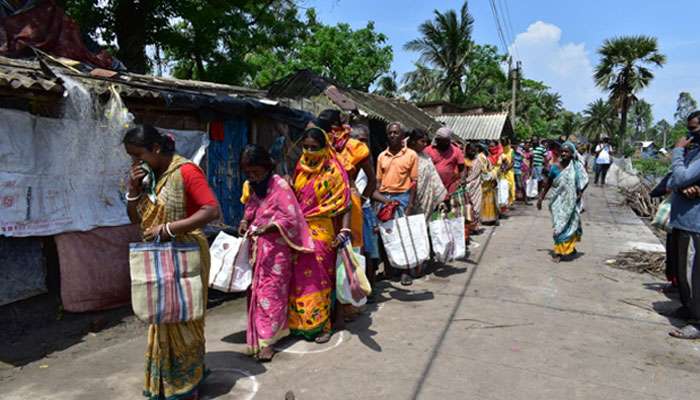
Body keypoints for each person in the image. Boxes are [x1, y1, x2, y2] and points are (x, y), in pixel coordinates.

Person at [123, 124, 221, 400]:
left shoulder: (186, 171)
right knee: (161, 317)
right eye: (131, 157)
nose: (135, 163)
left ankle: (187, 384)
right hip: (158, 256)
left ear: (156, 149)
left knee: (184, 317)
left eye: (138, 156)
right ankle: (167, 381)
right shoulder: (149, 177)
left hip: (185, 252)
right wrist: (133, 189)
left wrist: (169, 229)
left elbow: (211, 210)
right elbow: (135, 217)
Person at [238, 145, 314, 362]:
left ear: (266, 167)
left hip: (276, 252)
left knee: (271, 295)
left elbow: (291, 218)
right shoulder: (255, 187)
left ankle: (268, 342)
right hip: (257, 250)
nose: (252, 177)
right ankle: (259, 337)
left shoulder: (280, 186)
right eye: (248, 174)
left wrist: (268, 228)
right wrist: (245, 221)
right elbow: (251, 208)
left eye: (256, 173)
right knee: (255, 293)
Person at [289, 127, 351, 344]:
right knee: (298, 279)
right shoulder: (300, 167)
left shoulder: (334, 170)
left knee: (320, 278)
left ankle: (324, 325)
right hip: (298, 231)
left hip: (322, 231)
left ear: (325, 147)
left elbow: (345, 203)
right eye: (305, 147)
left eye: (314, 148)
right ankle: (300, 325)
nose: (308, 151)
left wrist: (344, 231)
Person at [317, 109, 376, 250]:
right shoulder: (320, 145)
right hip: (324, 203)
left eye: (327, 127)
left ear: (336, 125)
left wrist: (360, 200)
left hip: (349, 203)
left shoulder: (355, 148)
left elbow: (372, 180)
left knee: (351, 251)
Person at [666, 111, 700, 339]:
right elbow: (672, 180)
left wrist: (677, 151)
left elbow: (679, 177)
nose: (689, 136)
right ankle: (690, 308)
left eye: (694, 130)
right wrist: (681, 185)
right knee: (685, 270)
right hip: (685, 221)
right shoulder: (693, 154)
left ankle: (697, 321)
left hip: (695, 222)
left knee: (694, 272)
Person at [376, 122, 419, 285]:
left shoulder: (411, 155)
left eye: (396, 133)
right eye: (390, 133)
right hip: (385, 198)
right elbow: (378, 182)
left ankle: (405, 272)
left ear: (402, 136)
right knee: (386, 236)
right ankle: (389, 270)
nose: (392, 135)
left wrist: (410, 206)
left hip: (403, 197)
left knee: (403, 236)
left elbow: (414, 182)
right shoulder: (381, 156)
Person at [537, 141, 589, 263]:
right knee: (559, 226)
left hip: (572, 201)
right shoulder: (555, 167)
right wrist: (541, 198)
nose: (564, 153)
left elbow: (584, 180)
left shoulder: (577, 167)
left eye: (567, 151)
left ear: (572, 153)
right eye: (562, 151)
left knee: (571, 225)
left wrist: (580, 193)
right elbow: (548, 183)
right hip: (558, 201)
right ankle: (562, 249)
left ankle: (562, 251)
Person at [351, 124, 382, 289]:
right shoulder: (348, 159)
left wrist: (361, 200)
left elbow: (372, 184)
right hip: (349, 210)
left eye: (365, 140)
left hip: (363, 209)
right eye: (359, 140)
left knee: (368, 251)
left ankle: (370, 287)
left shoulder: (366, 160)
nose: (363, 144)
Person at [407, 128, 448, 218]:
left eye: (426, 142)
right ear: (413, 141)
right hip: (408, 196)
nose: (425, 145)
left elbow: (433, 175)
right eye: (422, 142)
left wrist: (440, 195)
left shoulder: (425, 156)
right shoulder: (405, 154)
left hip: (425, 198)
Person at [423, 126, 465, 197]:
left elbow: (462, 167)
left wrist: (461, 180)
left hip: (449, 187)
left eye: (446, 141)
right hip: (431, 187)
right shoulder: (428, 150)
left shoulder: (456, 151)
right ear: (437, 140)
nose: (444, 143)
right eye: (442, 140)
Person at [464, 142, 488, 231]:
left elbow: (478, 172)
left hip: (476, 185)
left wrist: (468, 180)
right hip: (466, 187)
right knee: (468, 207)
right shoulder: (464, 160)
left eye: (473, 150)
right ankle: (468, 228)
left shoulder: (478, 160)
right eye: (469, 150)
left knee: (476, 206)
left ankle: (475, 226)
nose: (471, 151)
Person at [480, 142, 500, 225]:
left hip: (488, 180)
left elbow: (487, 170)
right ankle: (489, 218)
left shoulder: (483, 157)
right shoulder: (482, 157)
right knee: (488, 201)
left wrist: (493, 175)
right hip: (486, 181)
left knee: (490, 201)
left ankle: (491, 218)